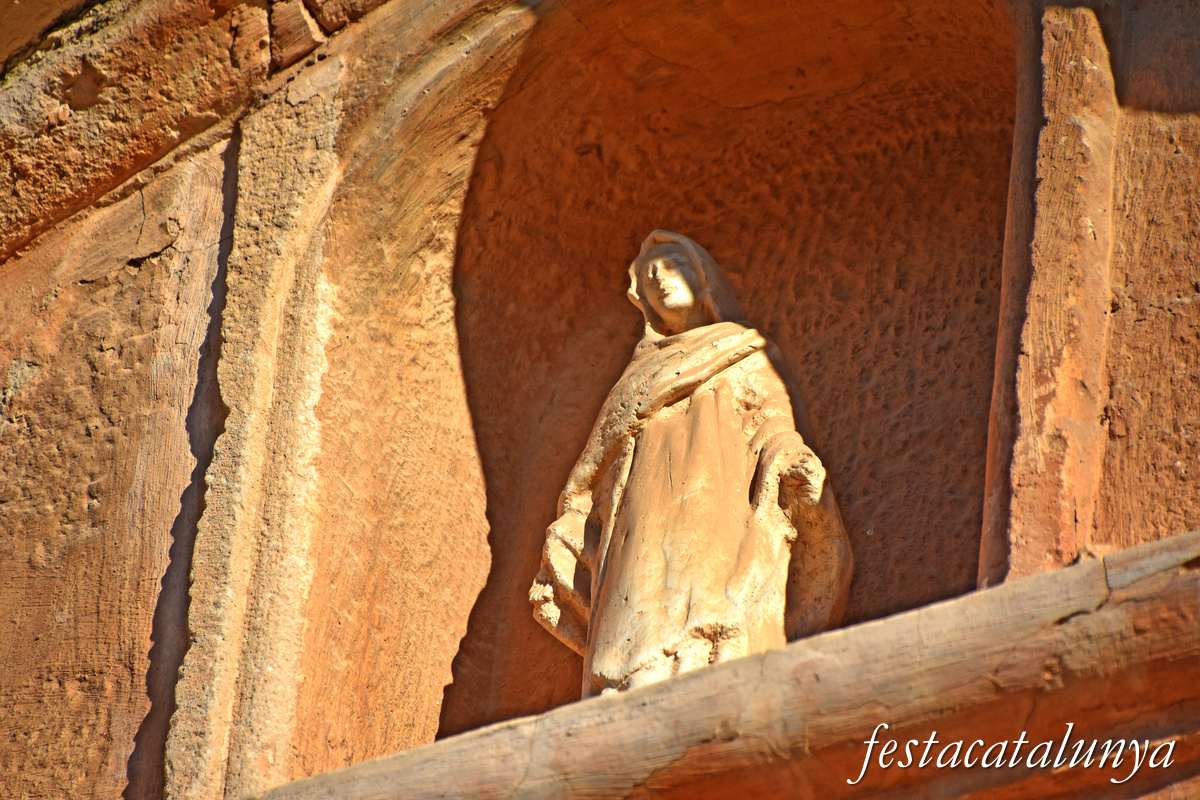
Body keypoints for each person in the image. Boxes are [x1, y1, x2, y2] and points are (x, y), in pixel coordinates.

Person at [529, 230, 852, 697]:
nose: (659, 278)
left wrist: (789, 457)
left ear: (705, 281)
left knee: (708, 608)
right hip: (639, 518)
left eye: (671, 264)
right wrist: (579, 512)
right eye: (648, 276)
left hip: (713, 506)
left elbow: (771, 423)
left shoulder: (743, 351)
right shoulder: (635, 377)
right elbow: (598, 465)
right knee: (632, 613)